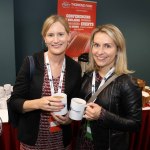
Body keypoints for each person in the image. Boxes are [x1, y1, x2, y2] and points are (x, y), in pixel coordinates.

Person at [8, 14, 82, 150]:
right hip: (33, 143)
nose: (56, 40)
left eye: (60, 34)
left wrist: (69, 118)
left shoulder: (75, 67)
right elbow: (14, 102)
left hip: (61, 142)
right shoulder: (31, 62)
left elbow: (75, 102)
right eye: (50, 35)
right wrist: (38, 103)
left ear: (68, 36)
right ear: (44, 38)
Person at [76, 24, 142, 150]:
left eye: (107, 46)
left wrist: (102, 115)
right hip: (84, 142)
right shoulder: (88, 76)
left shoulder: (127, 83)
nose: (100, 52)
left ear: (118, 50)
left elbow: (135, 124)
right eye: (96, 45)